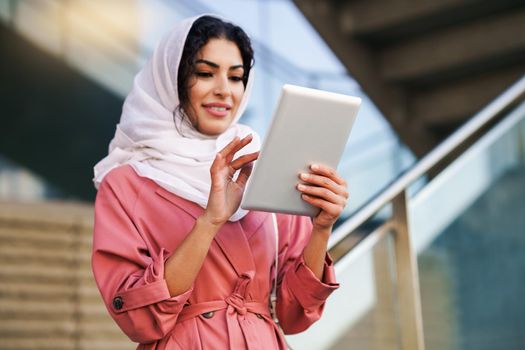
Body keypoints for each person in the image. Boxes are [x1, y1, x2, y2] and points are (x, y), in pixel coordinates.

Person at [91, 14, 349, 350]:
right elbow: (138, 319)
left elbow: (295, 313)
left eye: (236, 77)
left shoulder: (263, 167)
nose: (224, 91)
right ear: (172, 78)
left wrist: (322, 229)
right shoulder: (126, 183)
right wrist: (210, 220)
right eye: (204, 73)